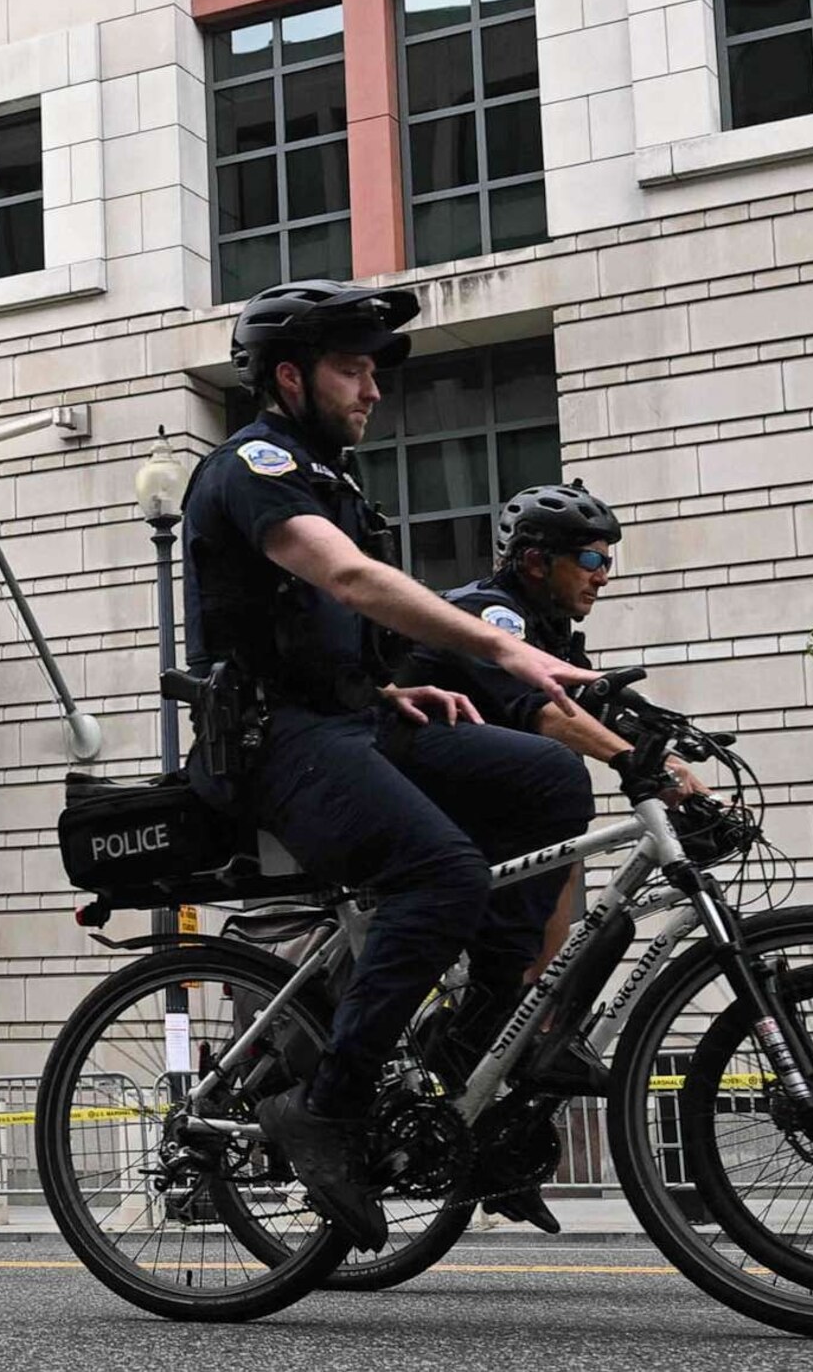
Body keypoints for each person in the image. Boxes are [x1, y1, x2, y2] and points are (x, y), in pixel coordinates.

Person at [178, 281, 599, 1248]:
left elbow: (332, 630)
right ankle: (328, 1105)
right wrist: (502, 649)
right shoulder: (253, 464)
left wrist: (389, 691)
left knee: (551, 780)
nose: (372, 389)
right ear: (290, 375)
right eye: (351, 369)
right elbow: (349, 579)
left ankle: (475, 1033)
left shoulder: (334, 478)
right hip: (275, 741)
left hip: (350, 723)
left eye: (374, 371)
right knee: (441, 870)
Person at [394, 481, 706, 1235]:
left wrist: (683, 759)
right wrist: (638, 764)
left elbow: (594, 701)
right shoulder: (493, 610)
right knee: (556, 784)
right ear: (535, 561)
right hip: (407, 767)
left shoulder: (556, 632)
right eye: (592, 557)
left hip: (483, 793)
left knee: (575, 928)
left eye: (609, 559)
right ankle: (465, 1029)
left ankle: (497, 1135)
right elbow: (538, 708)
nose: (604, 572)